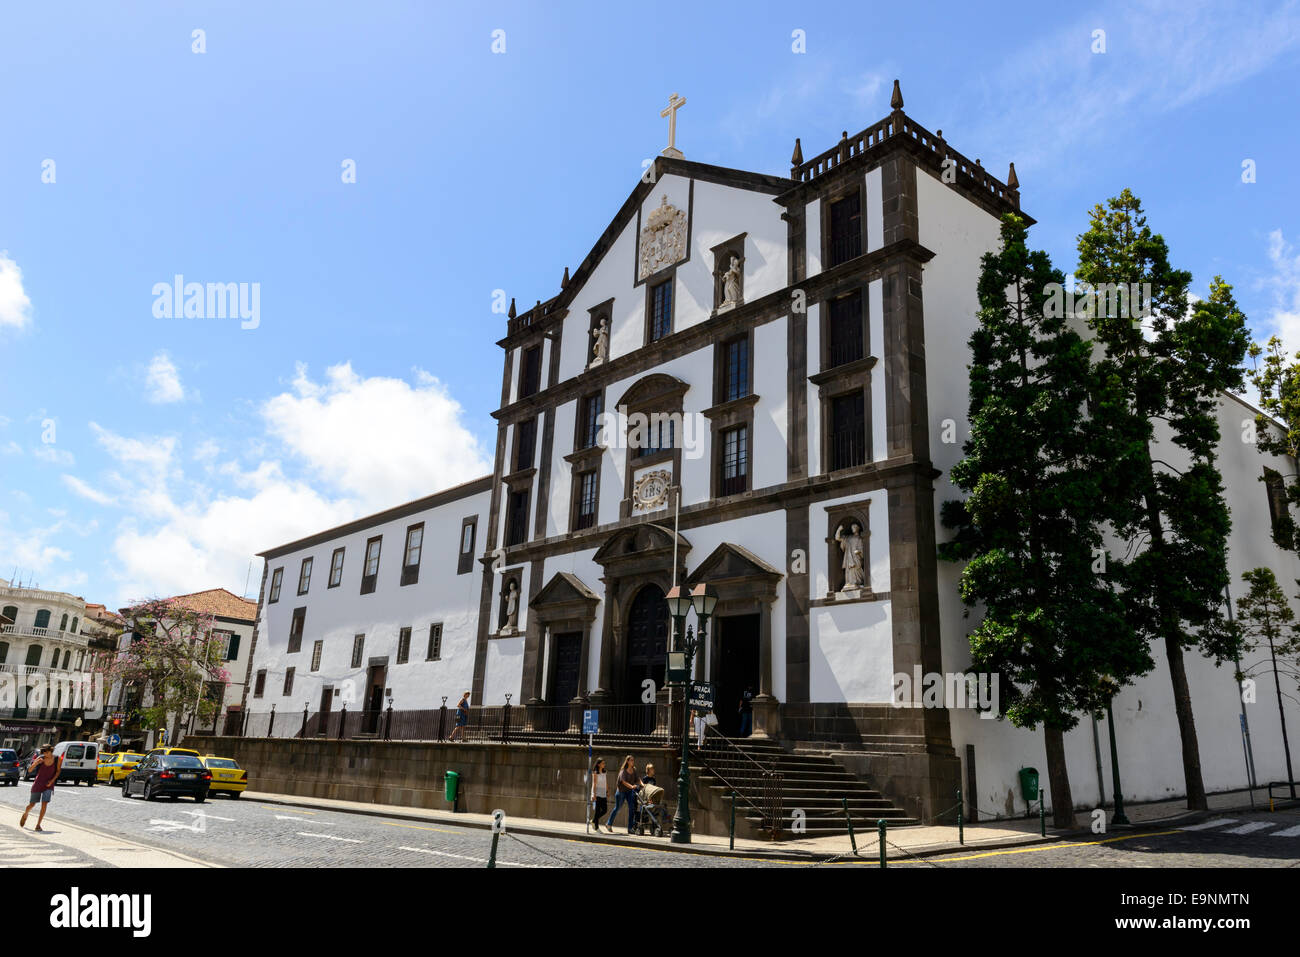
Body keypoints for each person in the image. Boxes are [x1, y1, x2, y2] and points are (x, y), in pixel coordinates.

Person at [20, 745, 62, 831]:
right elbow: (30, 770)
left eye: (47, 752)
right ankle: (25, 814)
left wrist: (52, 781)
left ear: (51, 751)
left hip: (48, 784)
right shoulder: (40, 758)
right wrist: (36, 763)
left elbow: (58, 771)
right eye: (44, 752)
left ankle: (38, 825)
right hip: (38, 783)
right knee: (32, 804)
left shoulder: (57, 759)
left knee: (44, 804)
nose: (45, 754)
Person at [606, 755, 639, 834]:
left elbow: (638, 779)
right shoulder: (623, 771)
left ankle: (630, 828)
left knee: (632, 808)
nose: (633, 762)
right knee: (618, 808)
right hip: (621, 792)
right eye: (631, 760)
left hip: (629, 792)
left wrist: (642, 784)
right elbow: (623, 781)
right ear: (627, 761)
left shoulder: (634, 770)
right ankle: (609, 823)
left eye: (633, 760)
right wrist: (631, 786)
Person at [639, 763, 665, 833]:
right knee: (646, 810)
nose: (653, 770)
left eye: (653, 769)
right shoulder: (645, 778)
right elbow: (644, 789)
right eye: (652, 769)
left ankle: (654, 825)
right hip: (647, 798)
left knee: (657, 810)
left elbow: (654, 788)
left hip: (652, 797)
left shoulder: (653, 779)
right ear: (648, 770)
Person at [589, 757, 609, 831]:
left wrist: (607, 791)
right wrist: (594, 794)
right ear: (598, 764)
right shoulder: (595, 772)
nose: (604, 764)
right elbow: (594, 783)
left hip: (603, 793)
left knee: (605, 810)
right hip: (597, 792)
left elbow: (605, 782)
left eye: (604, 763)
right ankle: (596, 827)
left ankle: (594, 820)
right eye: (603, 763)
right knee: (597, 810)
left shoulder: (604, 772)